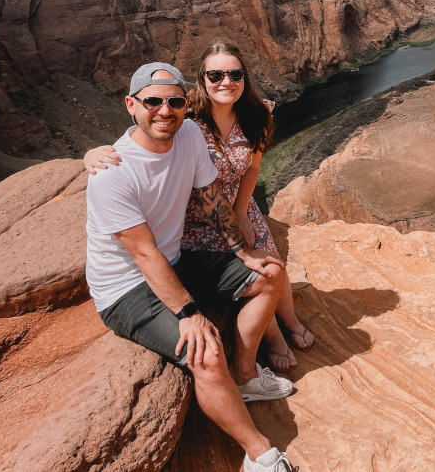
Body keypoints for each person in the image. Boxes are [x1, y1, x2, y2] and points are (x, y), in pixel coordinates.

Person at [86, 62, 298, 472]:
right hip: (126, 288)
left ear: (185, 105)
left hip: (176, 262)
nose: (164, 110)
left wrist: (242, 251)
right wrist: (189, 315)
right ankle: (261, 455)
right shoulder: (111, 173)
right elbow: (143, 255)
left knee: (271, 273)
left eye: (175, 101)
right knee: (205, 349)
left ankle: (245, 376)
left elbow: (211, 197)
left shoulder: (187, 136)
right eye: (152, 101)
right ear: (131, 105)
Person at [86, 41, 314, 372]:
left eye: (235, 74)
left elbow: (252, 167)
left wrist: (240, 211)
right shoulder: (185, 115)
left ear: (245, 78)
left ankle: (290, 321)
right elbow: (143, 133)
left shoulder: (256, 114)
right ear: (203, 79)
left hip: (232, 206)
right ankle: (273, 338)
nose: (226, 81)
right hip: (192, 218)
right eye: (216, 74)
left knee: (269, 261)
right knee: (250, 267)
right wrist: (90, 155)